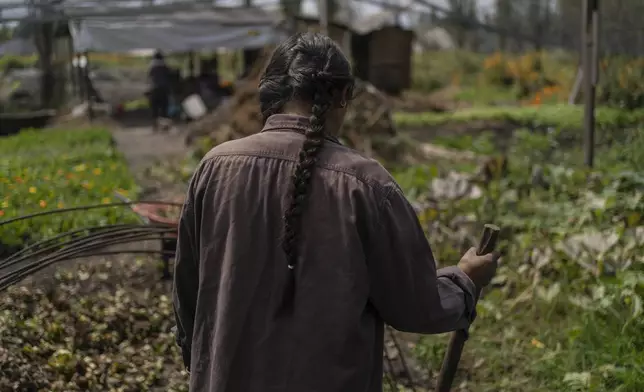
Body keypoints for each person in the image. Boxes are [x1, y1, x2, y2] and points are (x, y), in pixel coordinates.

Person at [173, 32, 499, 392]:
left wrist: (200, 362)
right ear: (343, 97)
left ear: (268, 95)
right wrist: (464, 281)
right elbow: (416, 306)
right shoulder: (368, 185)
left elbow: (189, 291)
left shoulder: (215, 167)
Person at [147, 50, 171, 131]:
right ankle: (165, 126)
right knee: (164, 108)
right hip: (164, 89)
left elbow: (150, 78)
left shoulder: (152, 66)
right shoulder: (165, 66)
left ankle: (155, 126)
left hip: (154, 89)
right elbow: (169, 77)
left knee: (154, 108)